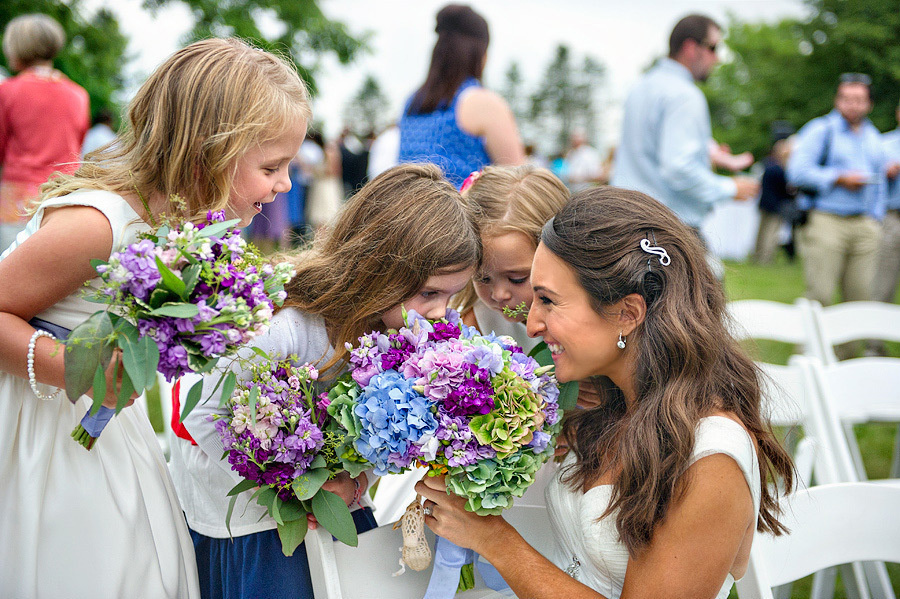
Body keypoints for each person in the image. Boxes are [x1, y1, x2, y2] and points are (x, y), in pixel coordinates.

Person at [0, 37, 310, 598]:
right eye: (272, 166)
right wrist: (74, 368)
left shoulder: (182, 227)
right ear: (207, 153)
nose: (285, 183)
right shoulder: (100, 225)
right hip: (38, 425)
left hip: (106, 426)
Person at [417, 187, 795, 599]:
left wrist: (495, 540)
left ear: (627, 313)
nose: (533, 325)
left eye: (548, 300)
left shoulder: (709, 456)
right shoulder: (608, 405)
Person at [169, 163, 480, 599]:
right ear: (378, 267)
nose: (440, 311)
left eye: (451, 295)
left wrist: (359, 479)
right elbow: (201, 411)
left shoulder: (397, 334)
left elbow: (375, 434)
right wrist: (297, 488)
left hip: (338, 508)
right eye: (429, 293)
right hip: (256, 527)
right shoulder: (288, 325)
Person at [612, 15, 759, 236]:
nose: (717, 58)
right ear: (691, 47)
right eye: (713, 48)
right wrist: (730, 188)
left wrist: (705, 153)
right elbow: (677, 168)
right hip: (668, 229)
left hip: (627, 223)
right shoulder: (684, 95)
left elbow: (649, 150)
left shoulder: (641, 87)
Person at [787, 73, 888, 310]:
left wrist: (877, 217)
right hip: (826, 220)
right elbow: (797, 172)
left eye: (859, 100)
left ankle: (850, 338)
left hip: (865, 224)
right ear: (837, 100)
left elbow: (880, 180)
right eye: (846, 98)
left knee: (861, 300)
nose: (852, 105)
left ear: (869, 104)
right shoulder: (820, 130)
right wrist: (838, 178)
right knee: (819, 295)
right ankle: (810, 336)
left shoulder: (873, 136)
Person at [398, 3, 524, 188]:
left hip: (409, 205)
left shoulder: (412, 103)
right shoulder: (483, 103)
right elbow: (520, 183)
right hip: (462, 206)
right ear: (479, 53)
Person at [457, 165, 569, 355]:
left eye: (517, 279)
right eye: (482, 278)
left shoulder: (588, 320)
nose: (499, 295)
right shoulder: (472, 327)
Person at [0, 14, 89, 251]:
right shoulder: (78, 94)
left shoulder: (7, 91)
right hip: (63, 196)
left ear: (17, 48)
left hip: (17, 202)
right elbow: (77, 145)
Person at [753, 135, 797, 264]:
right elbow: (786, 189)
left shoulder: (768, 166)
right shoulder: (781, 170)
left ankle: (757, 256)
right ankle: (765, 258)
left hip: (764, 203)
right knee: (771, 233)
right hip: (776, 205)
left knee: (762, 232)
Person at [874, 100, 900, 305]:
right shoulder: (882, 144)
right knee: (883, 280)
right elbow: (867, 177)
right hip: (892, 217)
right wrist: (886, 172)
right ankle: (876, 324)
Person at [564, 128, 604, 192]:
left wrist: (578, 179)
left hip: (587, 191)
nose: (575, 140)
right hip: (571, 190)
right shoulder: (570, 154)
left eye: (577, 137)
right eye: (573, 137)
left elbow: (597, 175)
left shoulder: (591, 153)